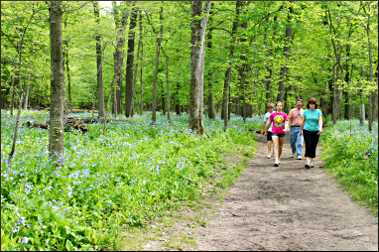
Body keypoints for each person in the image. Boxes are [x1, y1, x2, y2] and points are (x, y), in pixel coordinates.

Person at [264, 101, 289, 167]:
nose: (279, 107)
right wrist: (265, 130)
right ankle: (276, 160)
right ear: (276, 107)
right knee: (275, 145)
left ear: (282, 107)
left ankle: (279, 158)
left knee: (280, 146)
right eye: (278, 106)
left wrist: (286, 128)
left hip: (282, 132)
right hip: (274, 132)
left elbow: (286, 122)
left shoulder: (285, 114)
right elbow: (268, 123)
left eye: (280, 106)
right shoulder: (272, 115)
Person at [301, 97, 323, 169]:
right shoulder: (305, 111)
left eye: (313, 104)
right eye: (310, 104)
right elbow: (303, 121)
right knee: (308, 145)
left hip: (316, 131)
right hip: (306, 130)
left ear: (315, 104)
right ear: (308, 104)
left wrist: (320, 128)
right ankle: (307, 161)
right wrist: (301, 130)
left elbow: (320, 120)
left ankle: (312, 160)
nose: (312, 105)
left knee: (313, 146)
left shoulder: (318, 111)